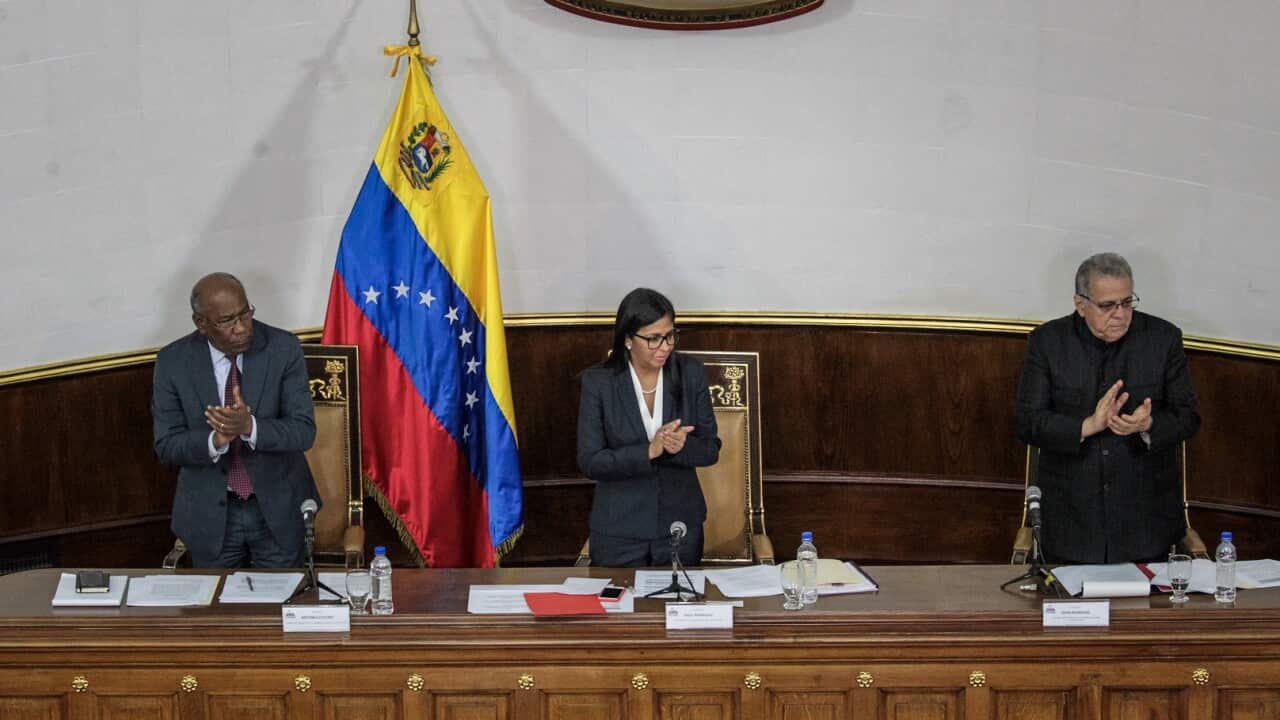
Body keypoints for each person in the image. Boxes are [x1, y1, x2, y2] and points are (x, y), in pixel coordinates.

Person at [1015, 253, 1201, 564]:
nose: (1120, 314)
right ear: (1080, 303)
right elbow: (1027, 422)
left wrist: (1148, 425)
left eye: (1127, 303)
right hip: (1071, 522)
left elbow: (1189, 417)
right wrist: (1086, 426)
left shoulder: (1163, 339)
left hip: (1146, 522)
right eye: (1107, 306)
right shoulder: (1048, 342)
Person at [152, 272, 319, 568]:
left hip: (277, 511)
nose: (241, 327)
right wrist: (214, 440)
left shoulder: (282, 348)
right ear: (201, 323)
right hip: (210, 516)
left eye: (246, 313)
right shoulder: (173, 362)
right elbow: (166, 444)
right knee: (219, 612)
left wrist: (249, 427)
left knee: (281, 608)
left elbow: (303, 431)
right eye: (227, 321)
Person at [577, 288, 721, 567]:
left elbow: (710, 449)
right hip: (618, 531)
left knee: (679, 609)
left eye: (670, 335)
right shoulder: (599, 383)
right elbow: (591, 461)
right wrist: (649, 450)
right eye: (653, 339)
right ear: (628, 340)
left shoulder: (690, 373)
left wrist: (682, 447)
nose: (665, 346)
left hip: (680, 527)